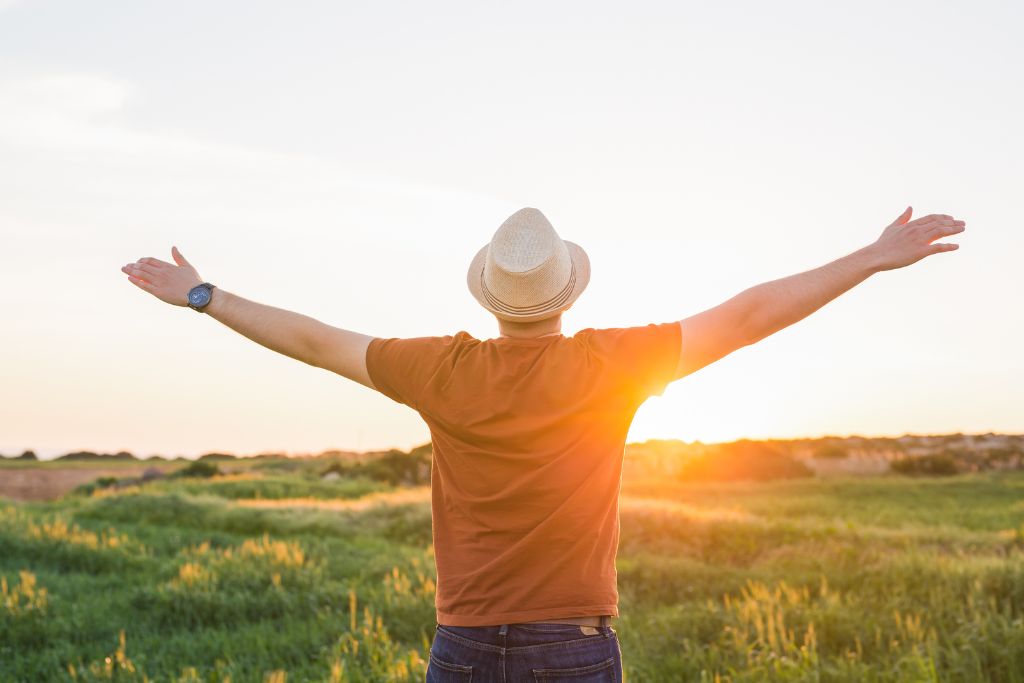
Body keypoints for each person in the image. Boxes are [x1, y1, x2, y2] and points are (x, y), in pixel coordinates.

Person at [121, 205, 965, 681]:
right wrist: (870, 257)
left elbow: (311, 339)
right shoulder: (609, 363)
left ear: (493, 297)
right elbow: (747, 317)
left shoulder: (440, 369)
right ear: (565, 292)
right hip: (574, 643)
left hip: (464, 644)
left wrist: (203, 294)